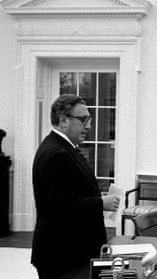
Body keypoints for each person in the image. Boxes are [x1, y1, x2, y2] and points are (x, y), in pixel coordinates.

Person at [31, 94, 120, 279]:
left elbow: (69, 193)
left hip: (69, 253)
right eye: (83, 119)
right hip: (65, 257)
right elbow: (62, 207)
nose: (88, 125)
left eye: (89, 119)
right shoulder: (58, 153)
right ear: (63, 120)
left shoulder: (63, 148)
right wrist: (100, 203)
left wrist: (96, 197)